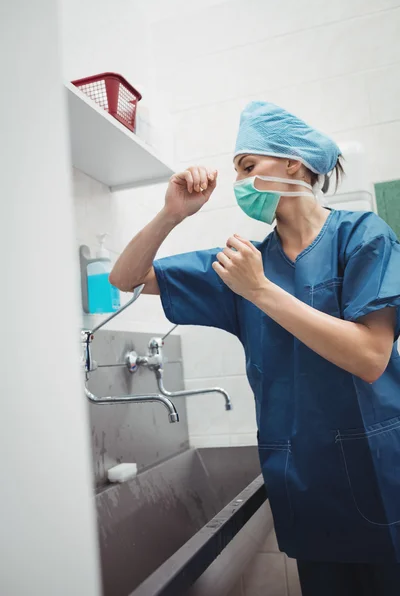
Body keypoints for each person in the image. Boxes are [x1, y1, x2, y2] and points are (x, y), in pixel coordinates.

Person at [110, 101, 400, 595]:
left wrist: (260, 290)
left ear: (292, 162)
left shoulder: (361, 236)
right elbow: (125, 277)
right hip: (307, 487)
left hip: (382, 476)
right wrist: (171, 213)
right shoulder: (241, 263)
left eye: (248, 167)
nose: (240, 183)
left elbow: (371, 357)